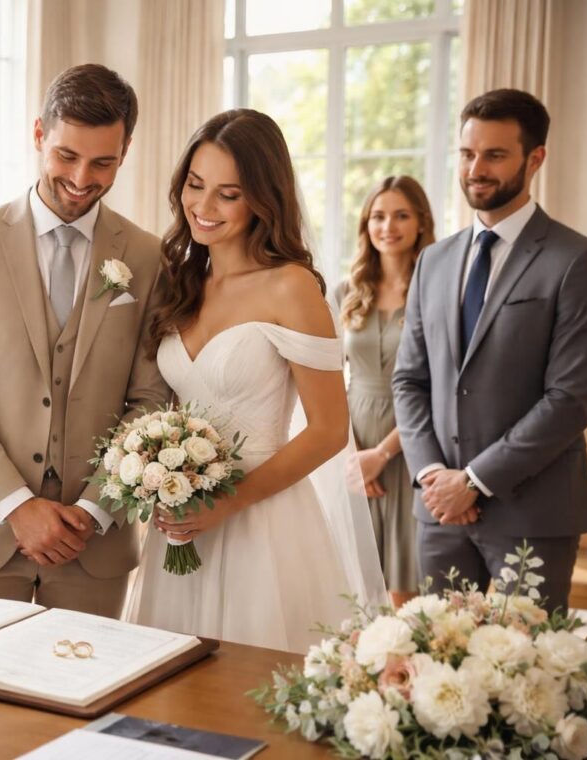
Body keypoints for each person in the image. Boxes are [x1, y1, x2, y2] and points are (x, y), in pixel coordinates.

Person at [128, 109, 387, 652]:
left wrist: (227, 502)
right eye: (195, 186)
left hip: (262, 522)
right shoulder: (181, 282)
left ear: (262, 199)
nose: (203, 206)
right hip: (181, 521)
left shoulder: (290, 287)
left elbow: (328, 430)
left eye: (229, 193)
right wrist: (154, 476)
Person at [0, 64, 170, 617]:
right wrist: (16, 506)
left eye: (103, 162)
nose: (82, 178)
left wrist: (96, 508)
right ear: (39, 136)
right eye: (66, 156)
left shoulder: (148, 258)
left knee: (88, 698)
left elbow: (151, 400)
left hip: (94, 543)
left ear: (124, 152)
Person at [393, 89, 587, 612]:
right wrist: (432, 477)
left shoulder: (580, 262)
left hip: (533, 515)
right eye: (467, 154)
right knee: (435, 667)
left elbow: (570, 399)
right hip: (440, 513)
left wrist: (474, 481)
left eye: (495, 155)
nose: (476, 169)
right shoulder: (434, 261)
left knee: (530, 678)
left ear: (535, 158)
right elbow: (409, 380)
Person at [334, 176, 435, 607]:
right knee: (355, 580)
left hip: (413, 441)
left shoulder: (435, 289)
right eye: (378, 216)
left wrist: (382, 454)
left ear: (420, 223)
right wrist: (355, 454)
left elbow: (437, 385)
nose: (387, 226)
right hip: (354, 439)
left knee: (405, 585)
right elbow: (328, 379)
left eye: (400, 215)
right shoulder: (346, 291)